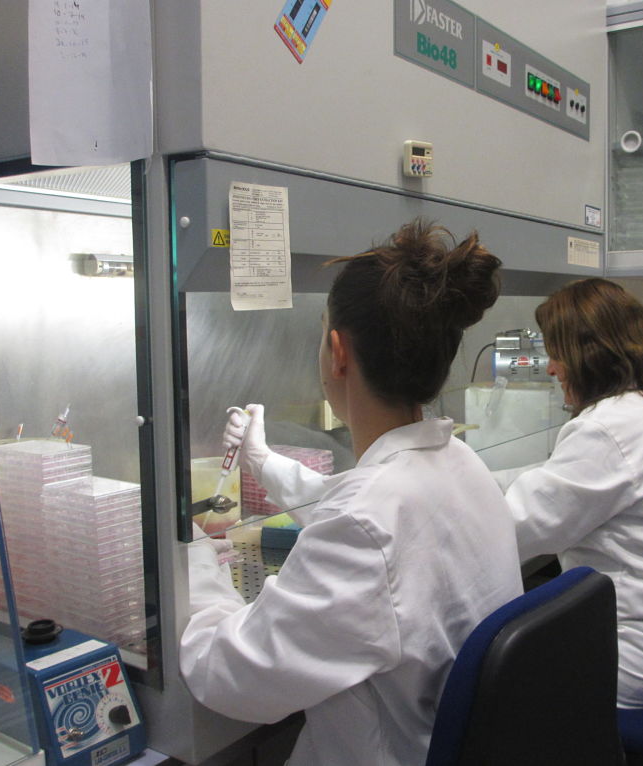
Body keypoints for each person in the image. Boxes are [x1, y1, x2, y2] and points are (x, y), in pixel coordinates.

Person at [180, 219, 524, 765]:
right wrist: (262, 461)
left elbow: (227, 674)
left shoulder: (368, 523)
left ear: (337, 352)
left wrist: (193, 562)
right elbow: (352, 507)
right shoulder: (459, 463)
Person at [499, 277, 643, 710]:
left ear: (588, 354)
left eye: (556, 354)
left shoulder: (607, 428)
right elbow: (551, 479)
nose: (551, 368)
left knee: (477, 672)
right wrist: (470, 480)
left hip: (636, 656)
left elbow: (513, 530)